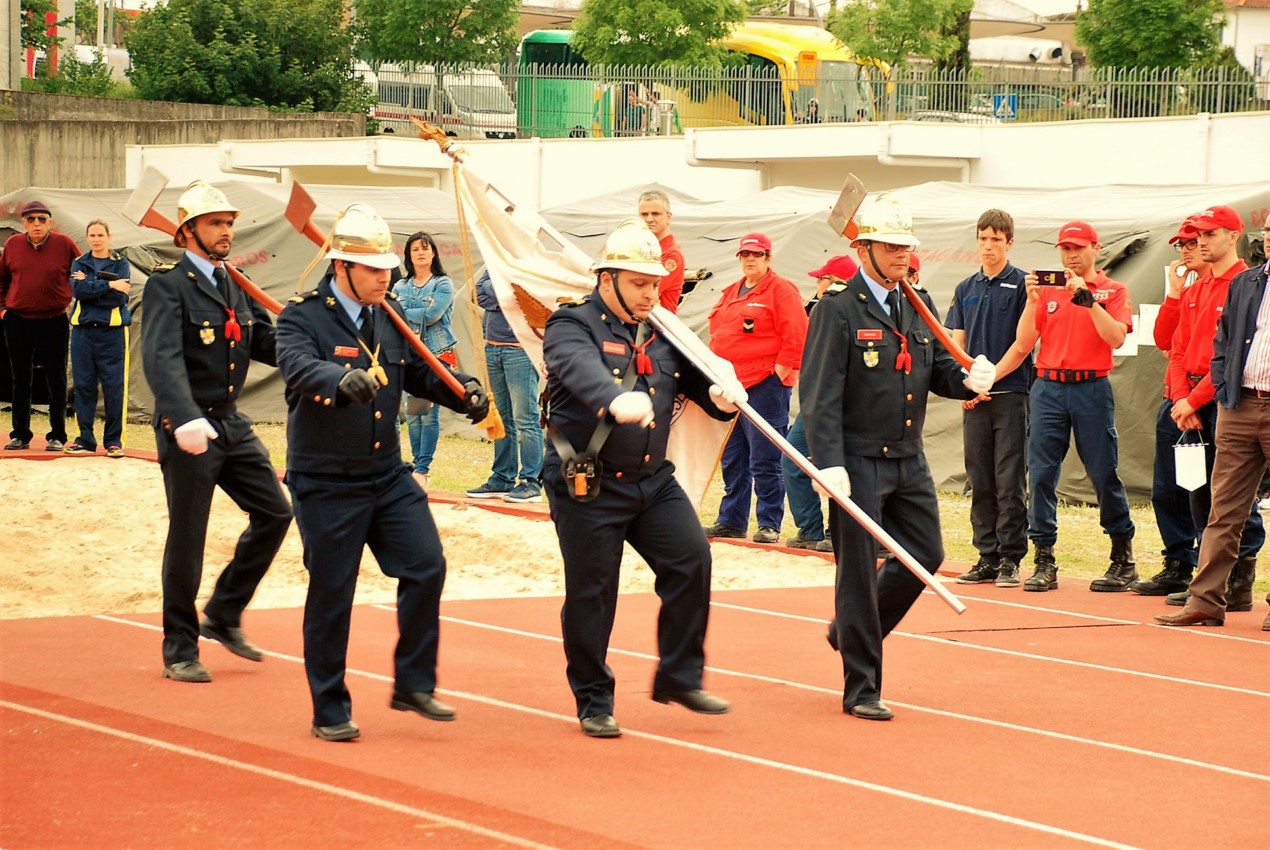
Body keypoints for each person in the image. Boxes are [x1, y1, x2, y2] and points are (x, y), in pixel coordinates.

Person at [276, 204, 490, 741]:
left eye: (387, 268)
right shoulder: (302, 315)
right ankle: (329, 706)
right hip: (325, 478)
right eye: (373, 269)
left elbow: (418, 370)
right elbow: (297, 364)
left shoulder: (387, 312)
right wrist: (336, 379)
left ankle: (413, 682)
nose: (385, 276)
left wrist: (461, 389)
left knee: (426, 566)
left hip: (386, 473)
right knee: (333, 592)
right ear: (341, 267)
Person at [542, 219, 739, 738]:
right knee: (593, 591)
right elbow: (577, 367)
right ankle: (593, 698)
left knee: (692, 560)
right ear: (607, 280)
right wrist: (611, 398)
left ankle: (678, 675)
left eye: (655, 283)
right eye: (639, 283)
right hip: (589, 480)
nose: (651, 293)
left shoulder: (665, 329)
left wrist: (721, 397)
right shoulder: (572, 324)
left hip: (652, 480)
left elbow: (699, 385)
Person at [800, 195, 994, 720]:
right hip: (857, 459)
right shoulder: (838, 309)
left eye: (905, 248)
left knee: (925, 555)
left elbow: (932, 373)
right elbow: (818, 395)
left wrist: (967, 379)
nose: (900, 256)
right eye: (889, 247)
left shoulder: (918, 303)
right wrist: (828, 463)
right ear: (863, 249)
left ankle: (851, 631)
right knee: (858, 572)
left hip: (908, 457)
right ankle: (862, 687)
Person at [140, 181, 293, 683]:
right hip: (189, 424)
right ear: (188, 232)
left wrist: (311, 343)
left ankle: (224, 612)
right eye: (215, 224)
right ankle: (180, 647)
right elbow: (161, 357)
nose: (226, 231)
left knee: (275, 512)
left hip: (230, 420)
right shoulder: (168, 284)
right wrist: (182, 416)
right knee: (189, 536)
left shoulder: (233, 281)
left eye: (229, 223)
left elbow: (262, 343)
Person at [1008, 221, 1136, 593]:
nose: (1071, 256)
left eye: (1078, 248)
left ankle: (1122, 556)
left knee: (1102, 472)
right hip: (1048, 386)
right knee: (1041, 474)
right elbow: (1024, 340)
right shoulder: (1049, 290)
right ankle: (1044, 559)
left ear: (1096, 249)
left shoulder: (1112, 290)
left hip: (1091, 387)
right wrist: (1032, 302)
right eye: (1065, 249)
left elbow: (1114, 337)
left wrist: (1089, 301)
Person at [1155, 220, 1270, 631]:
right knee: (1222, 508)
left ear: (1231, 236)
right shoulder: (1248, 283)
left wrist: (1200, 395)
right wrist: (1214, 390)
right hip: (1238, 404)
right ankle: (1206, 600)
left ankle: (1247, 590)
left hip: (1230, 401)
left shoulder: (1232, 279)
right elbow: (1210, 345)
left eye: (1206, 236)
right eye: (1269, 229)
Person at [703, 232, 808, 544]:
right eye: (745, 255)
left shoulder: (781, 291)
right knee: (733, 456)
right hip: (730, 384)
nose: (750, 259)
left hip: (764, 384)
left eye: (757, 254)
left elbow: (797, 334)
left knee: (765, 457)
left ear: (768, 258)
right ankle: (732, 520)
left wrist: (779, 373)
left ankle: (769, 523)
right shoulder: (730, 291)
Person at [945, 210, 1031, 587]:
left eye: (996, 239)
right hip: (974, 398)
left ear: (1009, 243)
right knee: (979, 478)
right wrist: (966, 383)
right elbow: (955, 342)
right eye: (983, 239)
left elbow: (1024, 344)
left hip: (1011, 394)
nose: (989, 246)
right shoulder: (965, 288)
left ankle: (1011, 557)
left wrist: (993, 376)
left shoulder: (1024, 284)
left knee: (1009, 479)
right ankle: (986, 556)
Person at [1132, 216, 1204, 596]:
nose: (1187, 250)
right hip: (1175, 399)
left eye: (1193, 242)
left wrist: (1193, 400)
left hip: (1207, 400)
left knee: (1211, 492)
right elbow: (1165, 341)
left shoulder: (1232, 286)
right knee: (1168, 489)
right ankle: (1178, 562)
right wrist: (1174, 293)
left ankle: (1227, 573)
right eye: (1182, 245)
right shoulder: (1188, 289)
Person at [782, 254, 858, 551]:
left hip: (843, 404)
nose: (817, 284)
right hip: (816, 403)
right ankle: (811, 530)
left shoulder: (851, 314)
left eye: (822, 278)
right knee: (793, 459)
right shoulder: (818, 310)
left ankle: (833, 532)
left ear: (837, 282)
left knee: (844, 466)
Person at [0, 199, 79, 452]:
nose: (36, 223)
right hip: (18, 320)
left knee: (55, 379)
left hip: (54, 319)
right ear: (23, 222)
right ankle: (20, 435)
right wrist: (3, 308)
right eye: (31, 219)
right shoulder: (12, 245)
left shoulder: (64, 244)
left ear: (50, 222)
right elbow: (2, 278)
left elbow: (81, 272)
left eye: (41, 219)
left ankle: (57, 435)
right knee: (20, 378)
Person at [465, 268, 544, 503]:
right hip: (493, 345)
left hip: (519, 349)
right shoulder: (495, 261)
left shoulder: (528, 262)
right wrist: (503, 294)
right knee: (501, 416)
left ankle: (531, 481)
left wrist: (500, 294)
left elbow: (523, 299)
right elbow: (475, 293)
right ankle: (502, 477)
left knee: (525, 417)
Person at [391, 231, 456, 492]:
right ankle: (417, 466)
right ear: (408, 254)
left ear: (433, 254)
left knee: (428, 413)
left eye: (425, 248)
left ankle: (422, 469)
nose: (420, 252)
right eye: (415, 249)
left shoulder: (443, 283)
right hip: (409, 353)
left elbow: (432, 315)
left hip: (436, 352)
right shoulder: (400, 286)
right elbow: (390, 314)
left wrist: (401, 312)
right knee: (413, 413)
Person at [65, 219, 132, 458]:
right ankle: (84, 439)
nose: (95, 239)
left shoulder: (121, 263)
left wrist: (93, 285)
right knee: (83, 386)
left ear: (108, 236)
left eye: (100, 235)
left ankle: (114, 442)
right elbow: (78, 292)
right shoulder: (79, 262)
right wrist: (109, 285)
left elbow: (118, 299)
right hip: (83, 333)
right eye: (91, 235)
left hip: (112, 333)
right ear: (87, 237)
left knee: (114, 388)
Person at [637, 190, 685, 312]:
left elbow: (643, 292)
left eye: (655, 213)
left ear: (668, 217)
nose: (649, 219)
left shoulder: (671, 255)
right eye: (644, 214)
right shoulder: (641, 248)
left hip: (657, 326)